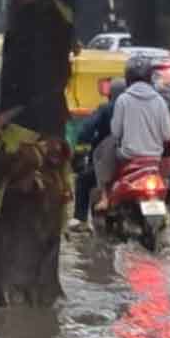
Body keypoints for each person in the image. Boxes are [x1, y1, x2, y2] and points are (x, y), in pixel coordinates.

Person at [93, 56, 170, 212]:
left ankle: (104, 196)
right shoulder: (159, 100)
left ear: (128, 78)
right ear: (149, 77)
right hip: (154, 158)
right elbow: (168, 134)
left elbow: (116, 132)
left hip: (128, 156)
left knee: (104, 150)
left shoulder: (123, 99)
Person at [68, 78, 126, 232]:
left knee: (82, 180)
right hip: (135, 162)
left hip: (108, 161)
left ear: (110, 94)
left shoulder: (106, 109)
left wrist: (81, 145)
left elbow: (86, 130)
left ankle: (80, 219)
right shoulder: (137, 110)